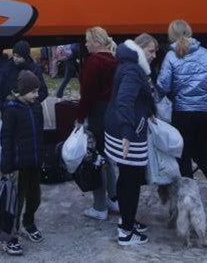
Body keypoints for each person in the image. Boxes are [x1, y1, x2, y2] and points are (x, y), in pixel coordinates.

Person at [157, 19, 207, 216]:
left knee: (183, 158)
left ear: (171, 35)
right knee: (203, 156)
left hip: (182, 114)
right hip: (205, 115)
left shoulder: (171, 56)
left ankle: (188, 203)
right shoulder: (206, 54)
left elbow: (163, 86)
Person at [104, 34, 156, 247]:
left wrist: (149, 111)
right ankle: (126, 232)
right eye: (151, 51)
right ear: (140, 48)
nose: (154, 55)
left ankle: (127, 220)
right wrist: (127, 132)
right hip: (129, 133)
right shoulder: (134, 70)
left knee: (126, 177)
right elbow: (125, 100)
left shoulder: (128, 63)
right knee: (131, 180)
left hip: (118, 128)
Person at [0, 70, 46, 256]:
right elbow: (6, 139)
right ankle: (11, 235)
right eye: (33, 92)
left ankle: (29, 222)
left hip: (34, 162)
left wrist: (42, 156)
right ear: (22, 91)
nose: (37, 95)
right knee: (16, 202)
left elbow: (40, 135)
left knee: (35, 197)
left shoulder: (36, 107)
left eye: (37, 91)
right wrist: (6, 166)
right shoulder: (11, 109)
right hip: (18, 164)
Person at [76, 26, 120, 220]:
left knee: (96, 160)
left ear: (96, 41)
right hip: (112, 112)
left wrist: (79, 117)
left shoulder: (94, 62)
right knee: (109, 158)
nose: (85, 44)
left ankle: (99, 206)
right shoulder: (114, 59)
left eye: (87, 41)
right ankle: (113, 198)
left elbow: (86, 95)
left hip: (97, 113)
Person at [0, 41, 48, 117]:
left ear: (25, 56)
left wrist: (27, 100)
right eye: (14, 55)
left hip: (28, 112)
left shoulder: (34, 69)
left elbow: (43, 92)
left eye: (19, 57)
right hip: (9, 111)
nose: (15, 59)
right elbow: (0, 89)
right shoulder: (7, 67)